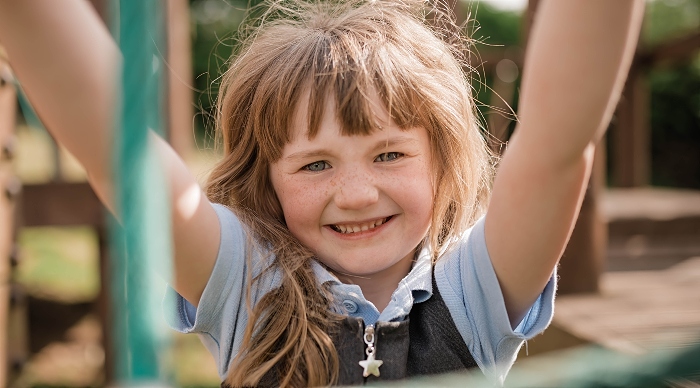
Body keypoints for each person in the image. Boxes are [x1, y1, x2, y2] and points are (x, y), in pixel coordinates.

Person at [0, 0, 643, 386]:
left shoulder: (475, 292)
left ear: (443, 163)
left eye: (389, 154)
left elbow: (559, 148)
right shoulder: (248, 290)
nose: (357, 193)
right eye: (314, 166)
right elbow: (122, 162)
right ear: (268, 179)